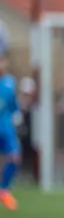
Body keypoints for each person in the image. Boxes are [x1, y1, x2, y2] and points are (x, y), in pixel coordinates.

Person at [0, 54, 21, 210]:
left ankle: (4, 190)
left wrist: (16, 114)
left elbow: (13, 104)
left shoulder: (9, 82)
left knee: (14, 158)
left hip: (5, 128)